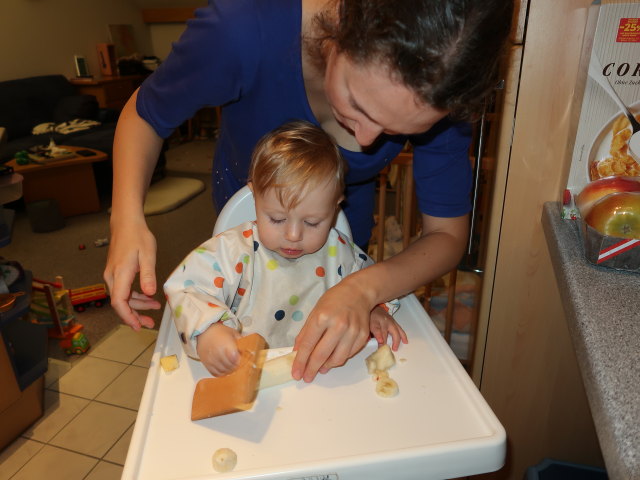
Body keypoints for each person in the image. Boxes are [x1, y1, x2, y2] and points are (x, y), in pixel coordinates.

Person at [104, 0, 513, 382]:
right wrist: (126, 218)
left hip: (338, 247)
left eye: (400, 132)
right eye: (358, 104)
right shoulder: (240, 30)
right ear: (338, 28)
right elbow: (146, 115)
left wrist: (363, 289)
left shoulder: (446, 80)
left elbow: (447, 235)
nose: (368, 141)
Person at [163, 121, 407, 376]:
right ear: (255, 195)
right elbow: (186, 287)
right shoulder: (233, 250)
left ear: (335, 206)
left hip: (321, 371)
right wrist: (209, 331)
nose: (293, 235)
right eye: (277, 219)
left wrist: (374, 309)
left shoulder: (340, 252)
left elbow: (375, 284)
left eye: (312, 222)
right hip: (248, 372)